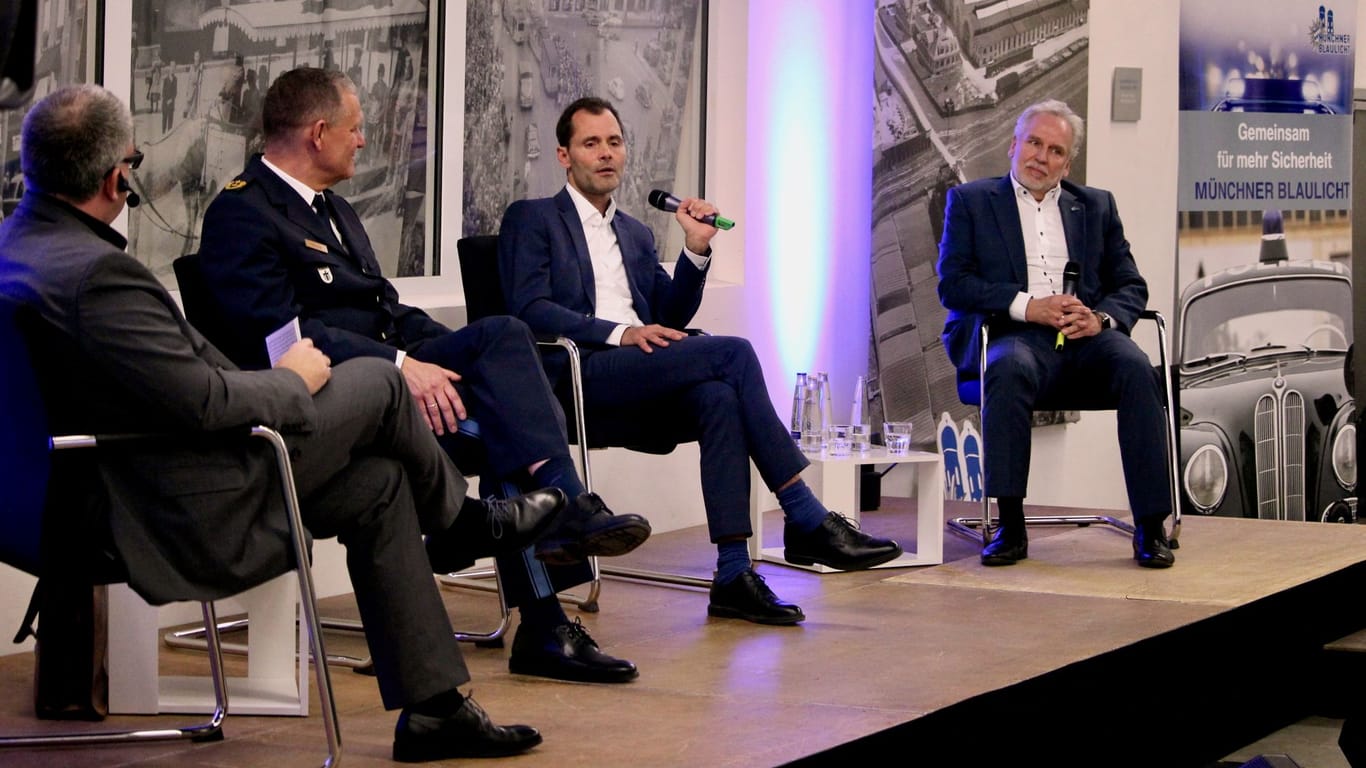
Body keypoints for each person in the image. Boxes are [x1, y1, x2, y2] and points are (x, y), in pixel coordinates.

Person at [0, 84, 569, 761]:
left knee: (383, 483)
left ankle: (435, 709)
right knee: (378, 383)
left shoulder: (23, 249)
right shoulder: (96, 275)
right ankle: (464, 524)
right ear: (117, 177)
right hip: (167, 505)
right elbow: (205, 405)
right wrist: (292, 381)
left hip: (76, 495)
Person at [196, 67, 648, 684]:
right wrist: (404, 368)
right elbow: (283, 339)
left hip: (386, 386)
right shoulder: (242, 212)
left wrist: (438, 357)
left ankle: (543, 527)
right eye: (355, 130)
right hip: (322, 407)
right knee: (506, 431)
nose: (363, 141)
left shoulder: (335, 210)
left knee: (503, 342)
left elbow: (386, 308)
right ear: (319, 132)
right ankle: (544, 600)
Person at [499, 97, 904, 626]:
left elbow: (669, 313)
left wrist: (694, 249)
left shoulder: (636, 234)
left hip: (638, 379)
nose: (605, 154)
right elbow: (529, 310)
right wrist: (621, 333)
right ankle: (805, 516)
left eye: (614, 142)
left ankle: (733, 574)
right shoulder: (533, 219)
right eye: (591, 143)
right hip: (577, 378)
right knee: (733, 353)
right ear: (564, 155)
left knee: (719, 396)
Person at [935, 98, 1175, 569]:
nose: (1041, 158)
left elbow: (1131, 285)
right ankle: (1009, 524)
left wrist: (1101, 319)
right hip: (1013, 332)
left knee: (1135, 367)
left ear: (1068, 161)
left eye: (1055, 150)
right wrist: (1029, 306)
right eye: (1034, 143)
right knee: (1005, 368)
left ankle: (1150, 525)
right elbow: (954, 283)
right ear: (1013, 145)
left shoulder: (1097, 206)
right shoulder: (971, 202)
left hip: (1085, 338)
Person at [160, 62, 177, 134]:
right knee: (164, 119)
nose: (172, 68)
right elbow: (163, 91)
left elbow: (175, 92)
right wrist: (166, 100)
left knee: (170, 120)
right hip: (165, 103)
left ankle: (169, 134)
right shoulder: (165, 79)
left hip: (171, 103)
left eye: (174, 67)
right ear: (169, 67)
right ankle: (163, 133)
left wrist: (171, 100)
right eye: (171, 66)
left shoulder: (176, 79)